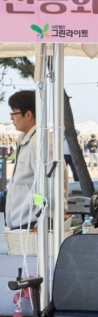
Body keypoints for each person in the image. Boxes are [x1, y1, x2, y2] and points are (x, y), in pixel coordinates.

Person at [2, 91, 37, 230]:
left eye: (14, 113)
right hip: (19, 221)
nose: (11, 118)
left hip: (31, 224)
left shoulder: (39, 142)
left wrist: (41, 215)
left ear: (28, 114)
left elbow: (49, 187)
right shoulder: (23, 139)